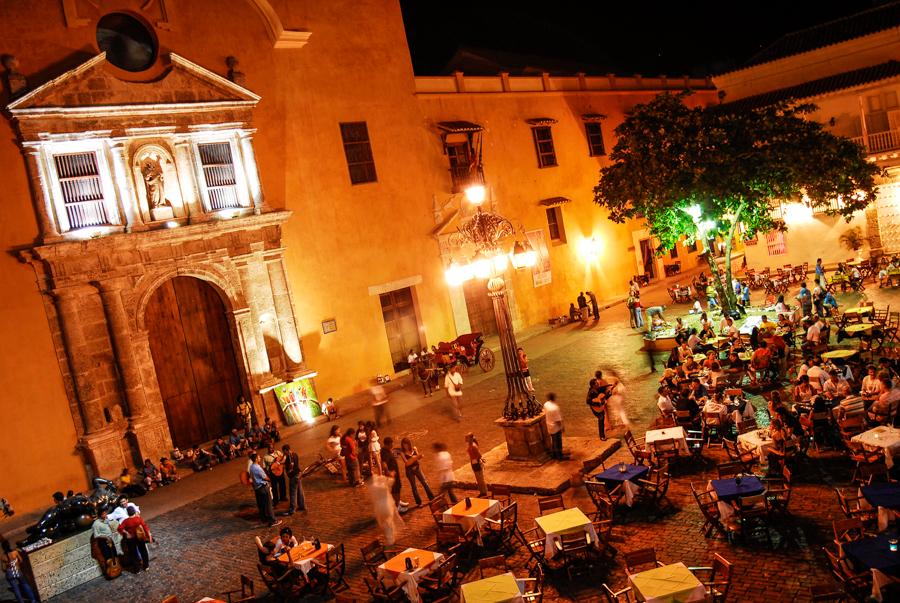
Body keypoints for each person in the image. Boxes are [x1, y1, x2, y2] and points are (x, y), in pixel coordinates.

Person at [248, 452, 281, 527]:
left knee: (262, 505)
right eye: (259, 457)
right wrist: (270, 479)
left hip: (257, 488)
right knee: (268, 504)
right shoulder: (257, 468)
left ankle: (264, 519)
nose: (260, 458)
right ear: (256, 459)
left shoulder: (251, 467)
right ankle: (273, 520)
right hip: (263, 487)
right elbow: (264, 477)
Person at [400, 438, 434, 506]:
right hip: (409, 471)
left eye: (406, 444)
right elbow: (407, 463)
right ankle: (419, 503)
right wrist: (414, 458)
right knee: (414, 486)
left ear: (409, 444)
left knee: (424, 482)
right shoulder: (402, 453)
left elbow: (418, 457)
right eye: (404, 445)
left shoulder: (414, 449)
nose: (405, 446)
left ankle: (432, 498)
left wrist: (420, 456)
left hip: (417, 468)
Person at [117, 506, 151, 571]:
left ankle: (137, 568)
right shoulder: (138, 519)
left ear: (128, 513)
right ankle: (146, 566)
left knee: (133, 553)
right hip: (140, 537)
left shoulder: (126, 521)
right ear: (134, 512)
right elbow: (145, 527)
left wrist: (126, 533)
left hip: (131, 539)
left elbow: (120, 528)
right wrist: (149, 536)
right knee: (143, 551)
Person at [380, 437, 408, 513]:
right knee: (395, 490)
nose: (393, 445)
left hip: (395, 473)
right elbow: (384, 464)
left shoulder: (387, 450)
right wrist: (389, 473)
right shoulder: (384, 452)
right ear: (388, 444)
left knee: (398, 487)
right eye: (392, 443)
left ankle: (398, 501)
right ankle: (397, 506)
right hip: (392, 474)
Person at [281, 444, 306, 515]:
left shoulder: (289, 456)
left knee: (293, 493)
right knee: (300, 491)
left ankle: (292, 509)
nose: (283, 453)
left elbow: (291, 464)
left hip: (293, 476)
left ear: (286, 450)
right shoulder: (295, 454)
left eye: (284, 451)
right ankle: (302, 506)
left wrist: (289, 471)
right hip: (298, 474)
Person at [543, 394, 564, 460]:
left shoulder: (546, 404)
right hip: (556, 427)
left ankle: (554, 454)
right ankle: (559, 456)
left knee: (553, 441)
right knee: (558, 442)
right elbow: (558, 420)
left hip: (549, 425)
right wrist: (562, 427)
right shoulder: (555, 408)